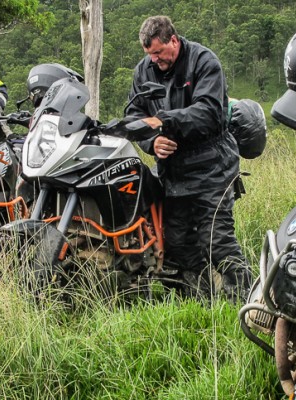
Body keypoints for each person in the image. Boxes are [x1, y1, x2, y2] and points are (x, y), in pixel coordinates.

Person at [124, 15, 251, 300]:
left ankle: (246, 304)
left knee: (217, 241)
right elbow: (133, 115)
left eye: (158, 52)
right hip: (173, 172)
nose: (154, 59)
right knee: (178, 244)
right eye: (149, 54)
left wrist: (162, 122)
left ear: (173, 40)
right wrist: (152, 141)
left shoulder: (204, 62)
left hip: (212, 166)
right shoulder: (144, 70)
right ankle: (199, 304)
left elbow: (208, 112)